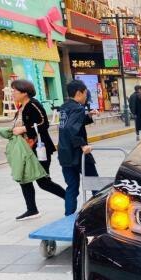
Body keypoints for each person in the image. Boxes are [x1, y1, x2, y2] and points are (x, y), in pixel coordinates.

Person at [10, 79, 66, 221]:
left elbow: (44, 123)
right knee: (24, 179)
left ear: (24, 92)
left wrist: (23, 129)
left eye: (15, 90)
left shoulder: (33, 104)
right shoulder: (21, 107)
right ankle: (32, 209)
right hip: (25, 150)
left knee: (43, 182)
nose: (13, 93)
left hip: (39, 148)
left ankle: (69, 198)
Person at [57, 79, 99, 216]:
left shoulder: (64, 107)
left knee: (72, 187)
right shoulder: (78, 108)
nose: (86, 96)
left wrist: (88, 116)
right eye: (85, 93)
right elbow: (71, 127)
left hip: (64, 153)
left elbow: (71, 124)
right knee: (94, 183)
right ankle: (100, 214)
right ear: (79, 93)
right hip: (78, 153)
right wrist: (82, 145)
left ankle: (68, 216)